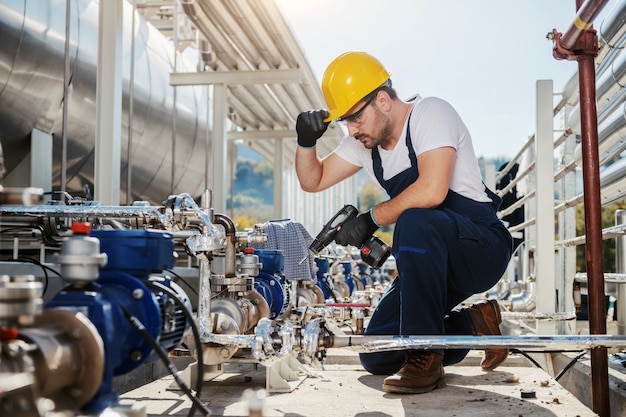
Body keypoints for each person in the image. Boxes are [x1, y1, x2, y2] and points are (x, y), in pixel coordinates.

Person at [294, 51, 513, 394]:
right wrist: (306, 143)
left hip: (479, 248)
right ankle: (473, 324)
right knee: (378, 351)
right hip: (429, 263)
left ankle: (426, 358)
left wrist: (370, 219)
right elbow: (313, 180)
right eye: (345, 122)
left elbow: (431, 190)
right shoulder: (364, 145)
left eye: (354, 118)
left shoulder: (431, 114)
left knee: (413, 220)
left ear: (382, 100)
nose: (351, 130)